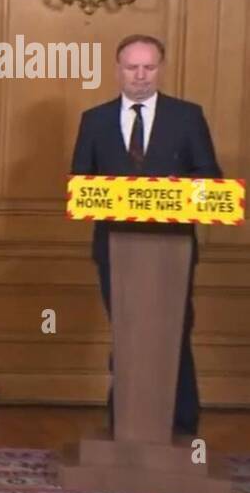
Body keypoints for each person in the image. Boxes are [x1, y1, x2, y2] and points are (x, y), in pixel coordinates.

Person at [70, 34, 222, 436]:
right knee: (127, 329)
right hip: (114, 246)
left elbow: (211, 178)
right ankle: (126, 421)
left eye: (148, 68)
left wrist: (175, 189)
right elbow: (80, 184)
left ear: (161, 68)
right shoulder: (95, 119)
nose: (140, 76)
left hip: (171, 248)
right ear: (118, 69)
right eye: (131, 68)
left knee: (175, 328)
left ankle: (181, 422)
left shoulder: (187, 117)